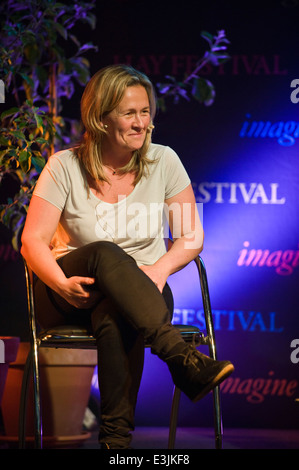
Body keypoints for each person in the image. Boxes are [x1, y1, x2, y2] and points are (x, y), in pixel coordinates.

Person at [21, 64, 234, 449]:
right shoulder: (64, 166)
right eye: (129, 113)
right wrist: (60, 283)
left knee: (116, 315)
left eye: (146, 112)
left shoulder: (164, 160)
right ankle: (181, 359)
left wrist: (159, 268)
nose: (142, 124)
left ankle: (116, 445)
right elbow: (32, 241)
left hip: (140, 288)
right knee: (104, 252)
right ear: (100, 119)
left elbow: (191, 235)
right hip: (71, 289)